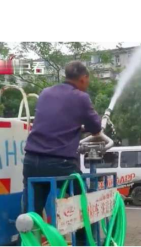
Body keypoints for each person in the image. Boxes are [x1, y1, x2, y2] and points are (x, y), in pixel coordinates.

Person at [23, 61, 101, 217]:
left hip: (31, 161)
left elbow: (55, 121)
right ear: (84, 78)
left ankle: (28, 240)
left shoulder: (45, 92)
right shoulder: (81, 97)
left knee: (31, 215)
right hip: (59, 164)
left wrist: (78, 128)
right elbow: (96, 128)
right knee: (82, 207)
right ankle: (83, 240)